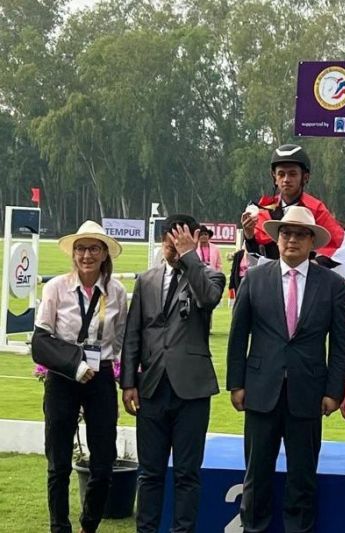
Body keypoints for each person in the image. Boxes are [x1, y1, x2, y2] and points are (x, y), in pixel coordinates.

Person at [227, 205, 345, 533]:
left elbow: (340, 344)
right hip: (260, 391)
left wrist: (334, 391)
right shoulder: (255, 279)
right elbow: (238, 336)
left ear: (312, 242)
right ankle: (253, 528)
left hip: (309, 393)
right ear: (277, 238)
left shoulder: (333, 285)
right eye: (286, 233)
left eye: (300, 234)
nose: (292, 239)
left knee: (303, 477)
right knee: (256, 476)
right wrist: (236, 384)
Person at [120, 214, 225, 533]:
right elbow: (133, 333)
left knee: (186, 473)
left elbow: (208, 299)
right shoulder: (147, 280)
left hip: (191, 389)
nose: (173, 247)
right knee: (150, 473)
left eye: (180, 241)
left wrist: (190, 256)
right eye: (169, 241)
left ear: (192, 240)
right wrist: (128, 382)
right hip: (151, 387)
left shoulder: (209, 276)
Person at [35, 220, 128, 533]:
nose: (86, 255)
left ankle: (89, 525)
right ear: (73, 254)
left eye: (94, 249)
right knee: (58, 462)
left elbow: (122, 339)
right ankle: (59, 527)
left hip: (100, 377)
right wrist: (74, 365)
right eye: (81, 249)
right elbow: (41, 341)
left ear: (104, 254)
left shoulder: (116, 291)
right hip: (63, 378)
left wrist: (122, 377)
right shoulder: (56, 288)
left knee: (103, 462)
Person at [240, 143, 345, 265]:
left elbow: (341, 253)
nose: (286, 179)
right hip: (270, 275)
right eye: (281, 174)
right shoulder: (263, 210)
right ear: (274, 177)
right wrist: (249, 235)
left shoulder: (316, 210)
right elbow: (254, 260)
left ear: (305, 177)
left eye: (292, 174)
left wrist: (310, 267)